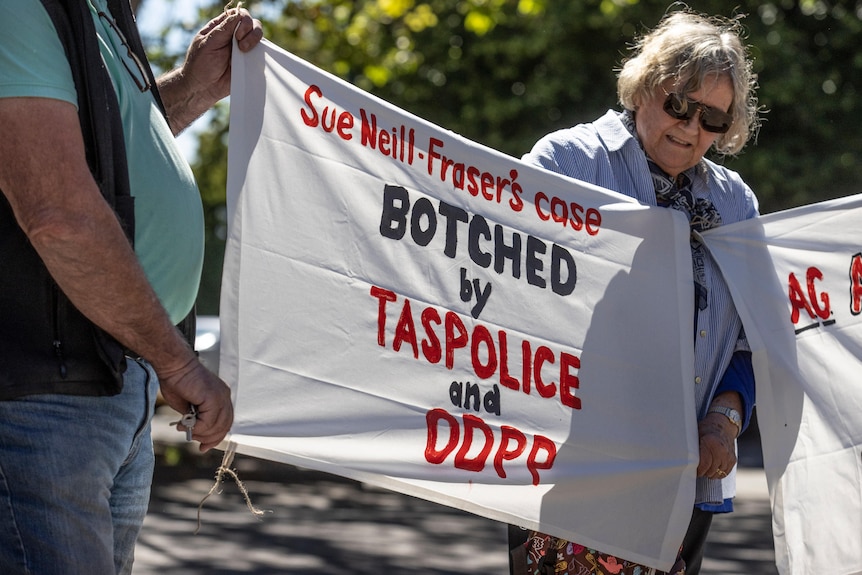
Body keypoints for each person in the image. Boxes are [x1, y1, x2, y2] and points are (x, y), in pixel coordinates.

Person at [0, 1, 262, 573]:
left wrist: (192, 90)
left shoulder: (100, 11)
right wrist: (179, 364)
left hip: (107, 379)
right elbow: (58, 214)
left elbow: (102, 148)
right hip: (43, 394)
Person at [512, 7, 760, 575]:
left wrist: (724, 419)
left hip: (685, 483)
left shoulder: (735, 203)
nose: (693, 128)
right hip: (574, 472)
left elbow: (753, 336)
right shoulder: (568, 162)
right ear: (646, 85)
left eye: (714, 120)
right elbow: (509, 290)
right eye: (680, 105)